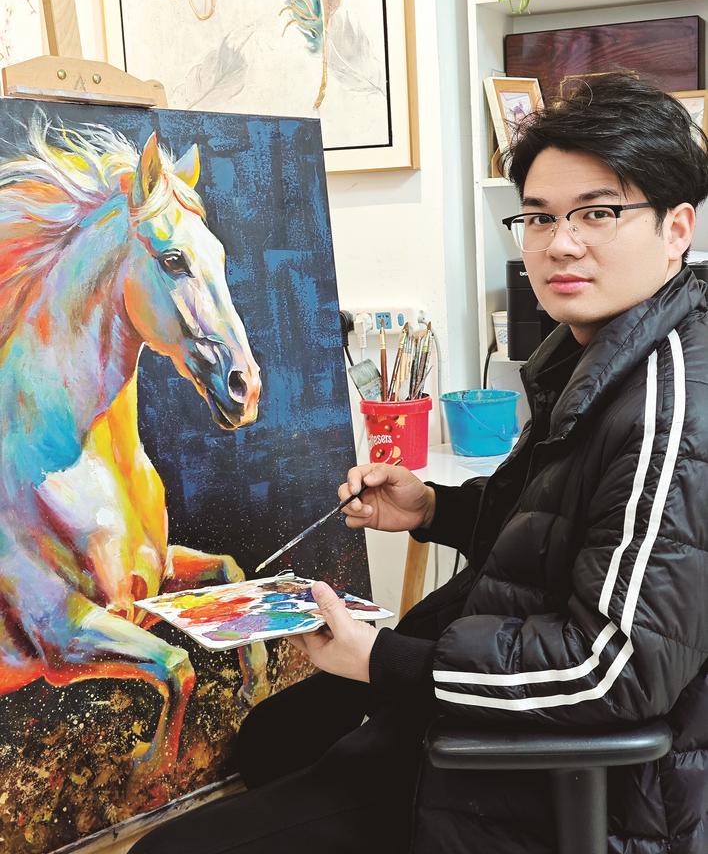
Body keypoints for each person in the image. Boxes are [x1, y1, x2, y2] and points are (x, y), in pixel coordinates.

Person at [131, 74, 708, 854]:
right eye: (539, 217)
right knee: (271, 738)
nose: (560, 243)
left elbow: (610, 672)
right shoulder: (596, 355)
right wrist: (432, 508)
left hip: (557, 783)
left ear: (677, 229)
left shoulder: (671, 410)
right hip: (486, 704)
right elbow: (555, 531)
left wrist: (385, 661)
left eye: (597, 213)